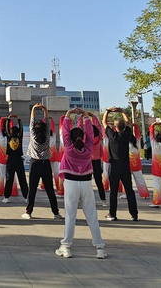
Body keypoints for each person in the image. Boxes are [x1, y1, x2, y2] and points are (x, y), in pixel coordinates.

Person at [55, 108, 106, 259]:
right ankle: (99, 249)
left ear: (69, 138)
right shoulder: (88, 147)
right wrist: (85, 117)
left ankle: (66, 247)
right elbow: (90, 133)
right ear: (83, 137)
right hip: (86, 183)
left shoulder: (68, 148)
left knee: (70, 216)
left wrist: (68, 114)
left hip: (70, 183)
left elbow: (65, 131)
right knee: (92, 216)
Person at [23, 103, 61, 220]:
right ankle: (56, 213)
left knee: (32, 189)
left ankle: (29, 212)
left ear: (34, 128)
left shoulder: (33, 136)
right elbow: (48, 122)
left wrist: (34, 108)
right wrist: (44, 109)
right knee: (50, 190)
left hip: (35, 164)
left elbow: (31, 121)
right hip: (46, 164)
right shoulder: (47, 137)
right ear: (45, 129)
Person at [102, 107, 138, 221]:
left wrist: (108, 111)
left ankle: (112, 214)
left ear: (115, 127)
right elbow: (128, 122)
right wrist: (122, 111)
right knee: (129, 191)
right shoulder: (127, 134)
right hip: (125, 167)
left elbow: (104, 122)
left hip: (114, 167)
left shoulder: (112, 136)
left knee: (113, 191)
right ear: (123, 127)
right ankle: (134, 214)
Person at [89, 113, 107, 207]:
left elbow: (80, 127)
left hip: (87, 162)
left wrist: (81, 117)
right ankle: (103, 200)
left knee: (86, 182)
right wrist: (93, 117)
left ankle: (86, 200)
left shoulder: (87, 139)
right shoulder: (99, 137)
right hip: (96, 162)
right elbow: (98, 126)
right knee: (99, 182)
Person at [129, 124, 150, 199]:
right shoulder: (137, 142)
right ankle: (145, 194)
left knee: (127, 181)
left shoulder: (126, 143)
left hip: (128, 165)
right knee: (140, 180)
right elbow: (137, 133)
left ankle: (126, 194)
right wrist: (135, 125)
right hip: (137, 165)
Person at [50, 117, 64, 197]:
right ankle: (59, 188)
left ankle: (44, 185)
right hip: (56, 156)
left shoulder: (44, 137)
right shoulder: (55, 135)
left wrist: (47, 119)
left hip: (47, 156)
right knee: (57, 173)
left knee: (46, 174)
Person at [0, 117, 9, 196]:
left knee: (1, 176)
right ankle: (13, 191)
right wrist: (9, 121)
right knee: (11, 177)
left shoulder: (0, 138)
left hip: (1, 161)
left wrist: (1, 119)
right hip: (9, 161)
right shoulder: (11, 139)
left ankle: (0, 191)